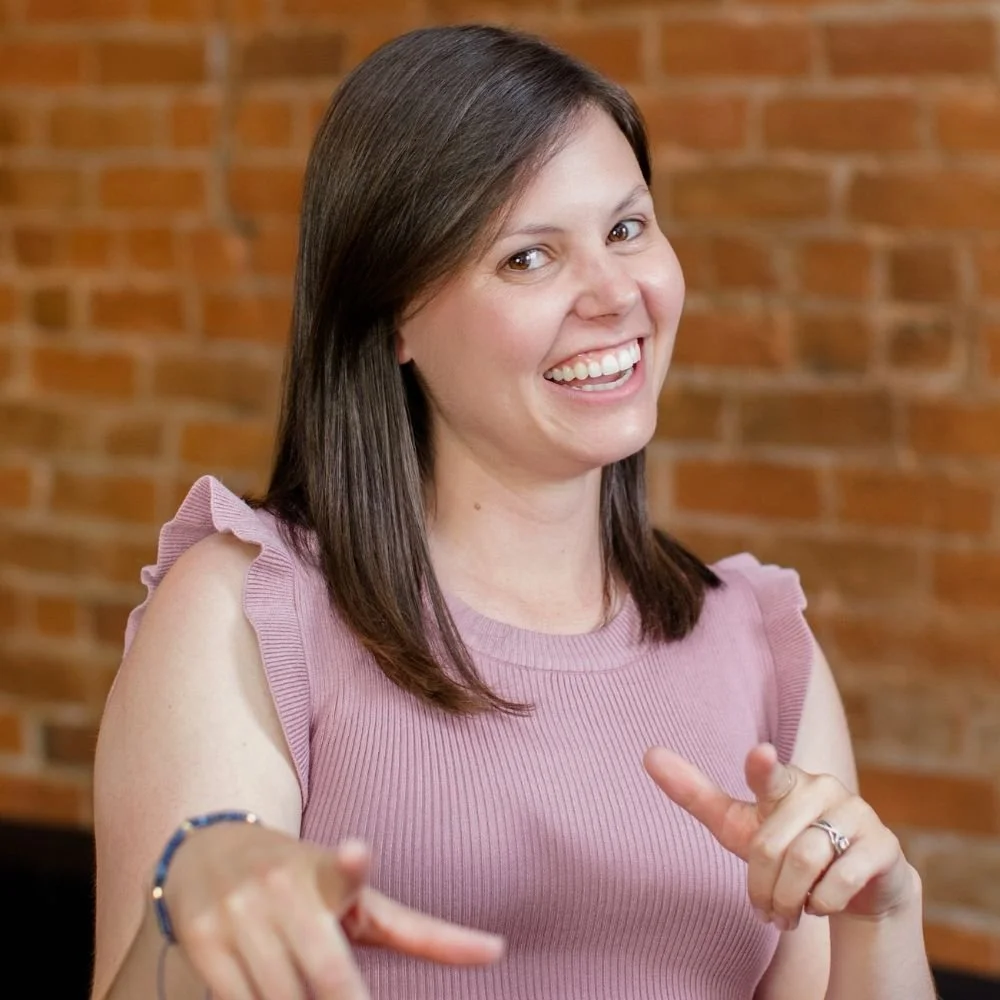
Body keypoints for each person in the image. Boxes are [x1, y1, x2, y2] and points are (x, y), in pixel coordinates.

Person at [91, 23, 936, 1000]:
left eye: (626, 228)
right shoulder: (251, 611)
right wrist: (188, 925)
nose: (615, 292)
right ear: (395, 316)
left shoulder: (758, 644)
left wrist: (882, 914)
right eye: (529, 259)